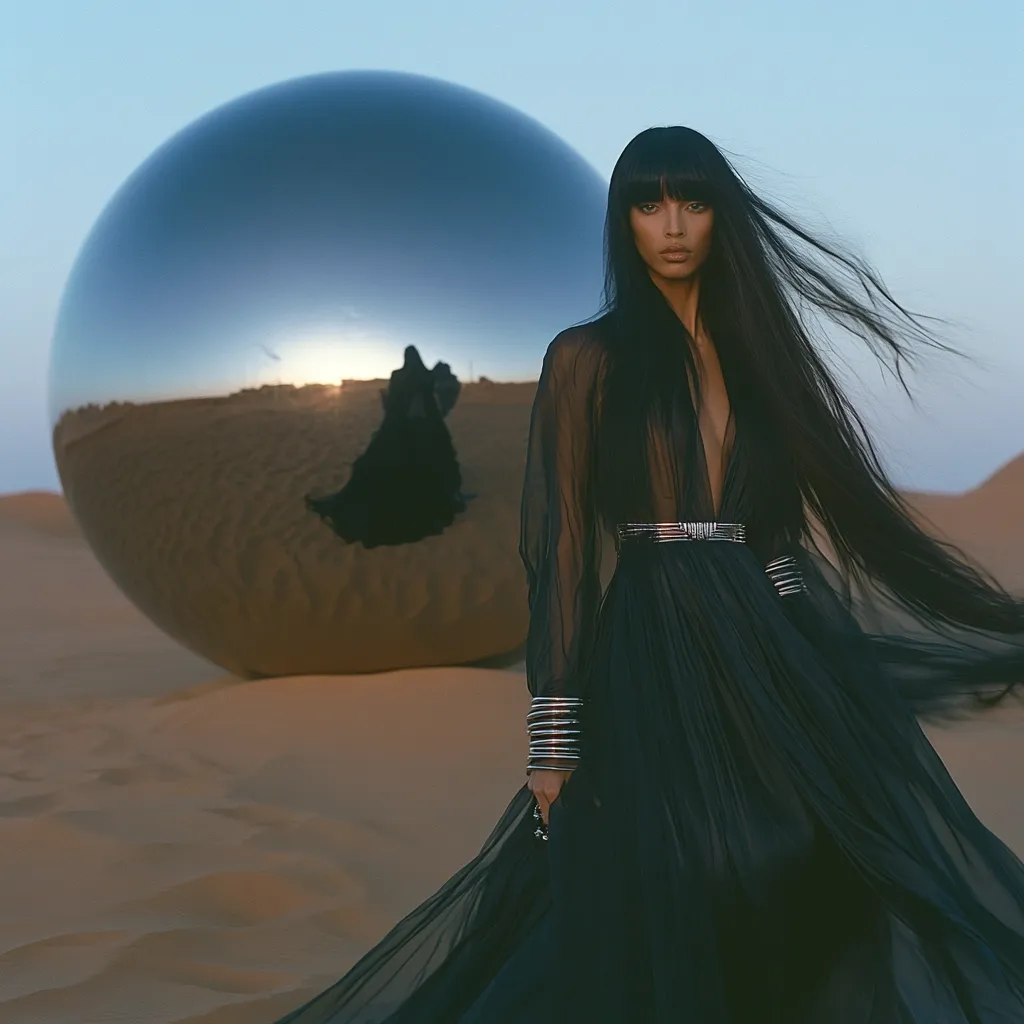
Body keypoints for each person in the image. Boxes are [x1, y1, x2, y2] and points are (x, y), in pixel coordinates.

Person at [275, 127, 1024, 1022]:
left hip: (763, 644)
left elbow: (777, 539)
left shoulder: (761, 357)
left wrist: (817, 654)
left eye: (693, 203)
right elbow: (559, 544)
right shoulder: (587, 357)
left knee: (825, 860)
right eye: (648, 203)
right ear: (622, 220)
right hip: (653, 638)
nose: (672, 226)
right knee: (662, 878)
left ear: (721, 217)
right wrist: (554, 734)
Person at [304, 344, 467, 547]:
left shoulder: (398, 375)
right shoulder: (426, 376)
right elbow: (434, 399)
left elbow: (394, 403)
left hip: (399, 430)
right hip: (425, 431)